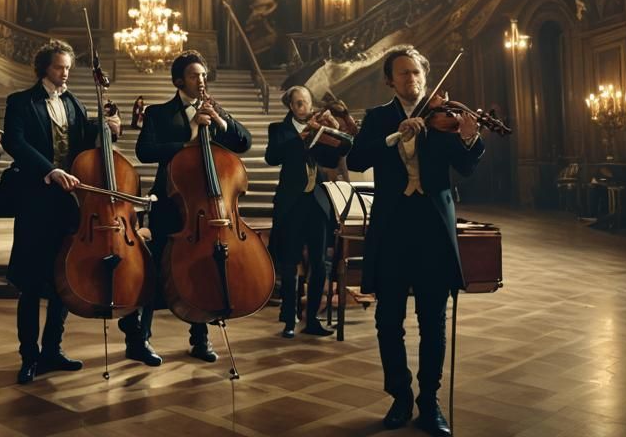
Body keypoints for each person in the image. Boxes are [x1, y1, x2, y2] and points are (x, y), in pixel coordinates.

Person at [346, 47, 484, 437]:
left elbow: (465, 166)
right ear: (390, 80)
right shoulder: (378, 118)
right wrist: (393, 138)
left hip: (433, 229)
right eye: (404, 73)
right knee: (388, 320)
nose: (412, 79)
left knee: (433, 320)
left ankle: (430, 401)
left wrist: (470, 138)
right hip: (391, 228)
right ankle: (400, 396)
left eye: (417, 72)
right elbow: (356, 161)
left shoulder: (444, 117)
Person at [120, 50, 253, 365]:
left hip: (206, 208)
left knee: (203, 270)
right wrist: (189, 137)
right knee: (155, 269)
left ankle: (200, 339)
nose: (201, 80)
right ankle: (139, 340)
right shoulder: (158, 113)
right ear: (179, 81)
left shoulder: (214, 108)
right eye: (194, 75)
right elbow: (145, 151)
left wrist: (219, 121)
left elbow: (244, 142)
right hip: (170, 202)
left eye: (203, 75)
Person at [3, 39, 122, 384]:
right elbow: (14, 142)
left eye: (68, 67)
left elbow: (85, 147)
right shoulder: (21, 102)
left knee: (62, 278)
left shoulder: (74, 103)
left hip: (69, 206)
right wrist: (50, 170)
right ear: (44, 67)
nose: (65, 73)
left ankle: (52, 350)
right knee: (30, 283)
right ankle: (29, 356)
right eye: (59, 67)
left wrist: (108, 129)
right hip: (35, 201)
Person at [264, 85, 343, 339]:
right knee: (290, 263)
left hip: (317, 203)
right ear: (291, 106)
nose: (304, 107)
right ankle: (289, 318)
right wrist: (301, 137)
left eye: (307, 102)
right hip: (292, 204)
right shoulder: (279, 129)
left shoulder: (320, 127)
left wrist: (334, 132)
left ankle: (312, 319)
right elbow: (272, 157)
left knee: (319, 264)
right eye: (298, 103)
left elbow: (331, 160)